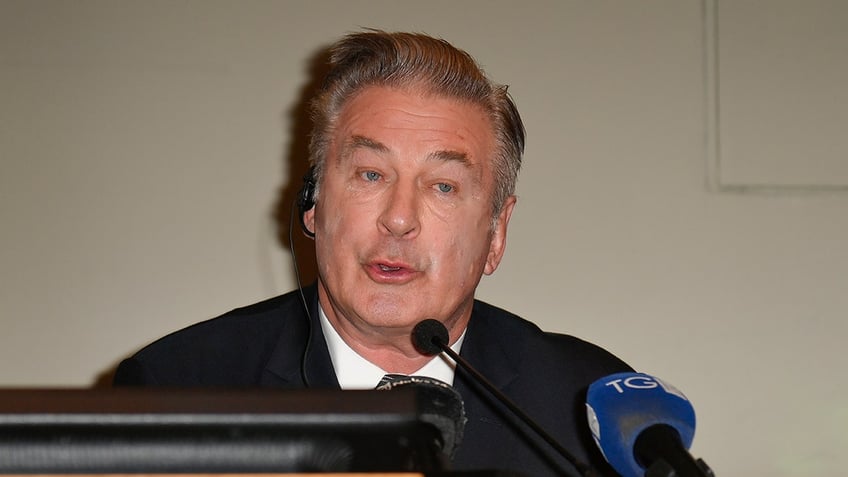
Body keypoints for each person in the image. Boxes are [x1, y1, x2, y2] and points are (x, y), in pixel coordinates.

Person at [114, 30, 632, 476]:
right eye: (370, 174)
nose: (399, 219)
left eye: (443, 187)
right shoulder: (179, 389)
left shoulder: (585, 401)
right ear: (313, 203)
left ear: (496, 232)